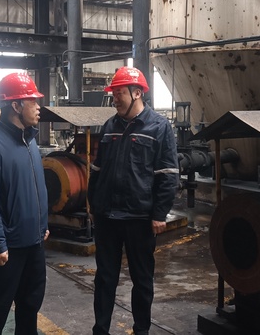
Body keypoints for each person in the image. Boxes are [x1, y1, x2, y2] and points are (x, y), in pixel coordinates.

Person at [88, 66, 180, 335]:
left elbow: (168, 174)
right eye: (114, 93)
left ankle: (141, 330)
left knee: (142, 280)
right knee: (105, 278)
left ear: (137, 93)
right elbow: (97, 169)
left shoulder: (159, 127)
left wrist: (159, 214)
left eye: (119, 93)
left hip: (139, 219)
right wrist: (93, 204)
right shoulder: (110, 126)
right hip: (107, 217)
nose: (114, 99)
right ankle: (100, 330)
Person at [0, 71, 50, 335]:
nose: (38, 107)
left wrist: (42, 225)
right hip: (7, 250)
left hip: (34, 244)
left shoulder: (30, 141)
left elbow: (34, 189)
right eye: (33, 101)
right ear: (15, 106)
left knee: (30, 308)